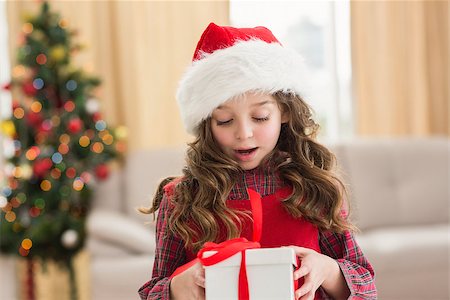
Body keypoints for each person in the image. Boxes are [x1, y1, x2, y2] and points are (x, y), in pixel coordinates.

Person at [138, 23, 376, 300]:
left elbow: (365, 286)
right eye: (225, 120)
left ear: (284, 112)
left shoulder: (317, 189)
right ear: (206, 123)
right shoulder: (181, 199)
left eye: (260, 117)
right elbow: (154, 290)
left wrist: (328, 270)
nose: (244, 133)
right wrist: (176, 288)